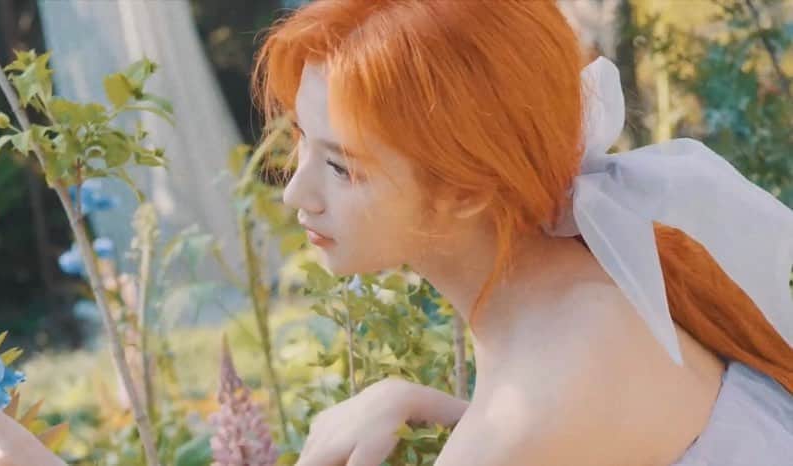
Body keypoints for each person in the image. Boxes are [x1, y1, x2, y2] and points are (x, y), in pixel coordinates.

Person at [251, 1, 793, 465]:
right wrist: (415, 401)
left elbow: (541, 424)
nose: (296, 193)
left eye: (341, 168)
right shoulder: (582, 284)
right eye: (301, 137)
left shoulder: (528, 408)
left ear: (466, 190)